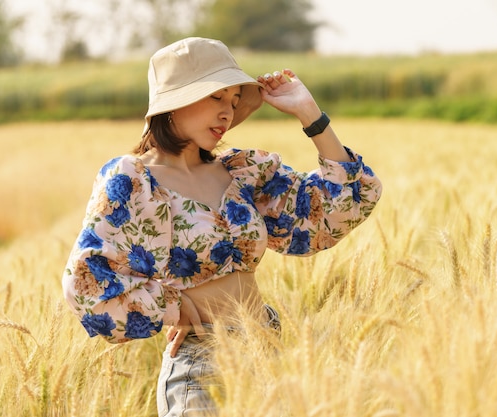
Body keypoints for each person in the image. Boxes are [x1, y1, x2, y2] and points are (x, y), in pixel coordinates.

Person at [62, 37, 382, 417]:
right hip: (201, 368)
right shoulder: (133, 180)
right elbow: (85, 280)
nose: (227, 112)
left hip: (266, 353)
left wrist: (310, 114)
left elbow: (343, 202)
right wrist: (169, 306)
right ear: (174, 101)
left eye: (234, 101)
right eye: (216, 97)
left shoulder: (241, 172)